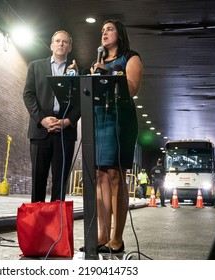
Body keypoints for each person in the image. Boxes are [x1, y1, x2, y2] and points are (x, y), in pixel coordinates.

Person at [89, 19, 143, 254]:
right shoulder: (98, 62)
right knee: (100, 176)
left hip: (121, 121)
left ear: (119, 34)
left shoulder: (131, 57)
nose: (104, 33)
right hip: (100, 119)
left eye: (109, 29)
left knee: (115, 176)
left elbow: (131, 88)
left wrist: (107, 74)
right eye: (102, 30)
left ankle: (117, 238)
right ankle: (101, 236)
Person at [23, 30, 80, 203]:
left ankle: (57, 228)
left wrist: (67, 121)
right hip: (40, 131)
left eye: (64, 42)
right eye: (57, 41)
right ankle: (37, 227)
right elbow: (28, 95)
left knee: (60, 183)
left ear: (69, 47)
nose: (61, 44)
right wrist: (42, 119)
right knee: (38, 181)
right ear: (51, 45)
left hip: (65, 132)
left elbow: (81, 102)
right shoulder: (35, 66)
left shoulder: (78, 70)